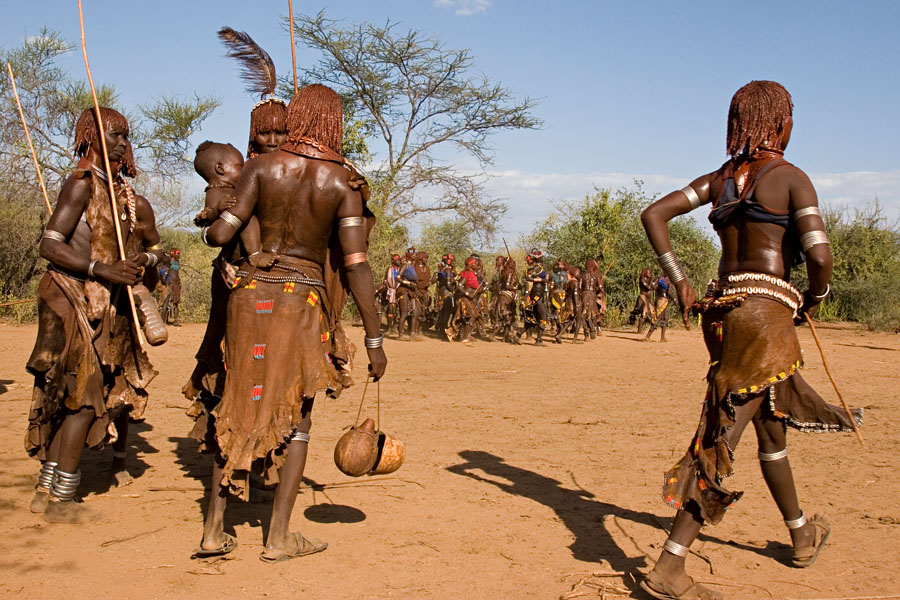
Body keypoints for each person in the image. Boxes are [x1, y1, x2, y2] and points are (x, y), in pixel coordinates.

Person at [639, 80, 862, 600]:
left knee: (769, 429)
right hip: (763, 320)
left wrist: (680, 278)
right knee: (722, 437)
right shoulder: (790, 179)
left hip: (720, 315)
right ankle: (670, 567)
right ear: (780, 122)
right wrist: (815, 297)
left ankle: (801, 533)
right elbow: (821, 257)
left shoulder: (720, 181)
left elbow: (655, 214)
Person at [200, 83, 386, 561]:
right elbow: (356, 264)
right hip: (301, 300)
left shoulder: (260, 167)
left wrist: (224, 215)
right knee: (299, 415)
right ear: (333, 123)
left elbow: (221, 232)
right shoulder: (341, 182)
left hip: (247, 297)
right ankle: (279, 537)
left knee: (236, 401)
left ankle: (213, 531)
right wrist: (374, 337)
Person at [26, 107, 162, 523]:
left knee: (80, 395)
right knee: (82, 397)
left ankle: (47, 488)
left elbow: (152, 247)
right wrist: (99, 269)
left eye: (125, 135)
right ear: (91, 137)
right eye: (114, 134)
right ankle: (62, 499)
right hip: (70, 297)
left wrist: (142, 261)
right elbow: (49, 244)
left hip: (103, 301)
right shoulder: (82, 185)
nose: (122, 142)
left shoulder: (123, 195)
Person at [182, 141, 246, 452]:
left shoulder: (224, 192)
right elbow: (219, 231)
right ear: (220, 170)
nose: (244, 168)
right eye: (239, 164)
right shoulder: (221, 193)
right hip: (233, 274)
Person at [645, 273, 675, 342]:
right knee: (658, 318)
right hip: (663, 300)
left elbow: (651, 286)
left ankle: (662, 337)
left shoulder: (658, 278)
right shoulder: (668, 280)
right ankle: (648, 336)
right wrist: (674, 299)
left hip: (658, 298)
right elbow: (669, 292)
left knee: (665, 318)